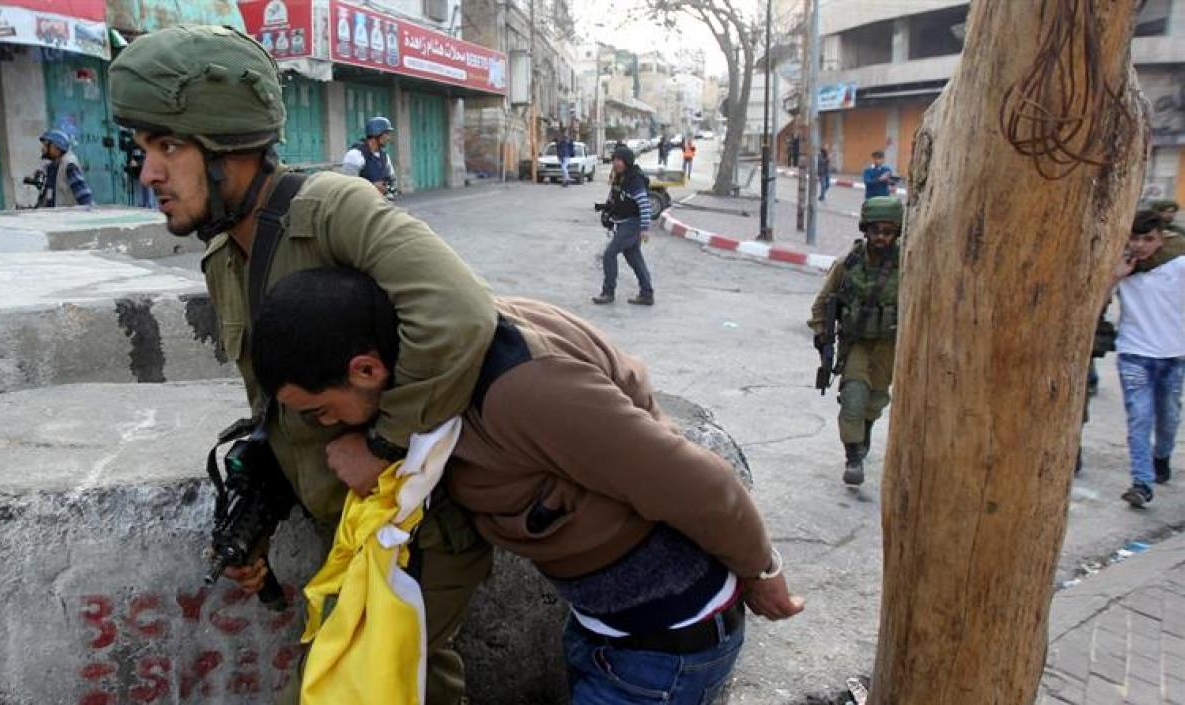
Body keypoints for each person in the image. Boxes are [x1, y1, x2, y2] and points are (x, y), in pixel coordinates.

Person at [107, 26, 495, 704]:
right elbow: (287, 410)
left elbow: (459, 314)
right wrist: (260, 509)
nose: (149, 173)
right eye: (143, 149)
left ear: (230, 147)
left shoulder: (330, 208)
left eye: (169, 146)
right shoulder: (225, 257)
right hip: (350, 535)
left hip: (414, 533)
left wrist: (381, 442)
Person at [251, 267, 806, 705]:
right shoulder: (446, 360)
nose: (327, 426)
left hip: (665, 646)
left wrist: (764, 572)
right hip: (603, 631)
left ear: (367, 370)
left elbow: (699, 485)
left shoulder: (517, 390)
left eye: (322, 411)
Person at [808, 197, 902, 486]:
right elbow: (823, 302)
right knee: (853, 399)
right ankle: (854, 457)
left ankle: (864, 437)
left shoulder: (908, 265)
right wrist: (822, 336)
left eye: (888, 232)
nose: (881, 238)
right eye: (876, 231)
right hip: (857, 343)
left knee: (874, 401)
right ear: (866, 230)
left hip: (888, 344)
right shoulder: (847, 263)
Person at [1110, 210, 1185, 507]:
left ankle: (1161, 457)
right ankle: (1142, 482)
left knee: (1168, 418)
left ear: (1160, 240)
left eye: (1148, 239)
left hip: (1174, 356)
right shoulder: (1122, 267)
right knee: (1140, 418)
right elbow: (1097, 302)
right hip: (1134, 354)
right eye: (1135, 238)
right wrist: (1116, 276)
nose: (1140, 245)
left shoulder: (1178, 265)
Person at [594, 145, 654, 306]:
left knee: (609, 254)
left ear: (627, 161)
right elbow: (616, 198)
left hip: (632, 224)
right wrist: (607, 212)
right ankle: (647, 293)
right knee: (634, 258)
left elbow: (644, 204)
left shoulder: (634, 179)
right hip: (623, 223)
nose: (616, 163)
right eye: (614, 160)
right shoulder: (620, 177)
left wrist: (645, 229)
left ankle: (608, 292)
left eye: (619, 160)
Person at [31, 128, 93, 208]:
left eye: (46, 145)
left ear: (56, 147)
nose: (43, 149)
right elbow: (48, 195)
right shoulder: (52, 167)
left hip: (68, 217)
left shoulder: (69, 165)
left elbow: (83, 195)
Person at [342, 116, 397, 197]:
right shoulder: (355, 155)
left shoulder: (385, 157)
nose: (389, 138)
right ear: (377, 133)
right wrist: (372, 187)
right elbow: (347, 188)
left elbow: (393, 186)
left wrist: (388, 190)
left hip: (381, 205)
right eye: (387, 134)